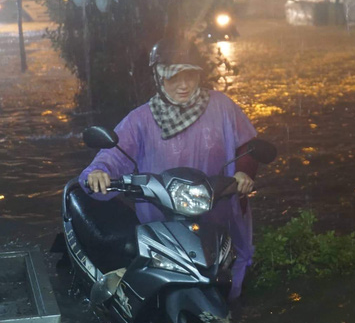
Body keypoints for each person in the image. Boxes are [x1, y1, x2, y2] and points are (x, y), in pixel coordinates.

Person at [81, 36, 258, 302]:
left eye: (190, 76)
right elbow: (112, 156)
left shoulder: (222, 107)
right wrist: (99, 171)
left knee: (232, 291)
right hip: (162, 222)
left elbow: (248, 145)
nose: (184, 85)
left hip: (216, 216)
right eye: (173, 77)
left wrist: (244, 172)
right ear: (158, 78)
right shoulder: (139, 120)